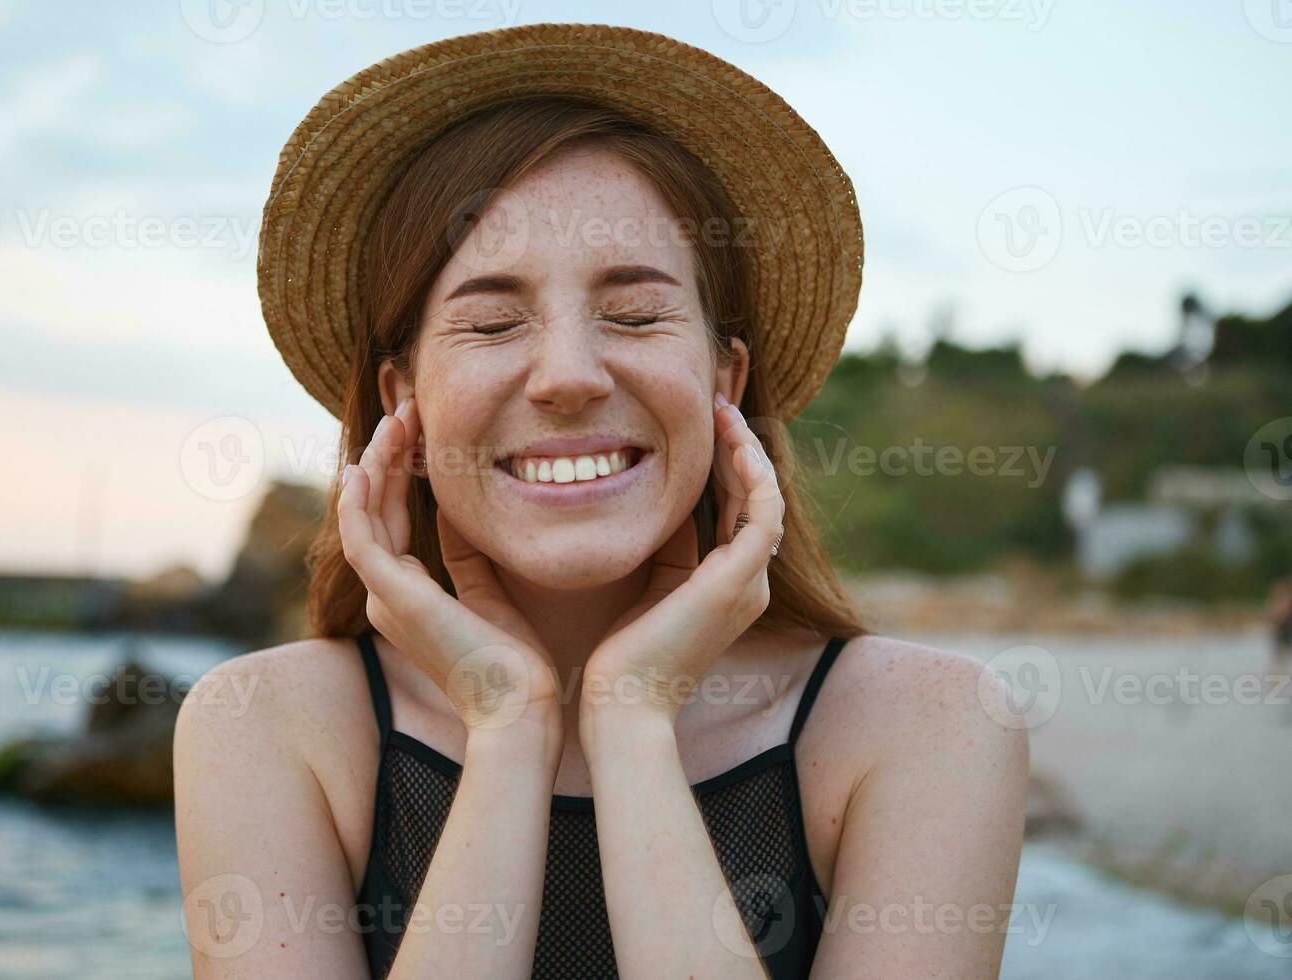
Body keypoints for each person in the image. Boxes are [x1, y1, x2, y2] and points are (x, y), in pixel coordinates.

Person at [174, 23, 1028, 979]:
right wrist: (507, 725)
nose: (569, 377)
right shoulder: (262, 726)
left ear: (726, 380)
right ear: (400, 402)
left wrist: (632, 720)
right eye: (493, 323)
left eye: (634, 314)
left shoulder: (929, 727)